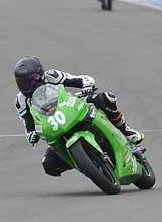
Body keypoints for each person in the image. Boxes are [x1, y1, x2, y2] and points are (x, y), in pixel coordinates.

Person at [13, 56, 144, 178]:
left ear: (40, 74)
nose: (28, 86)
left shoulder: (52, 76)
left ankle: (125, 130)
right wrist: (31, 135)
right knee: (49, 164)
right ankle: (84, 162)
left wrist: (87, 86)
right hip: (53, 125)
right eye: (23, 83)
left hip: (70, 106)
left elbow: (82, 79)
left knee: (105, 98)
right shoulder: (20, 101)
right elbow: (28, 124)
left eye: (31, 81)